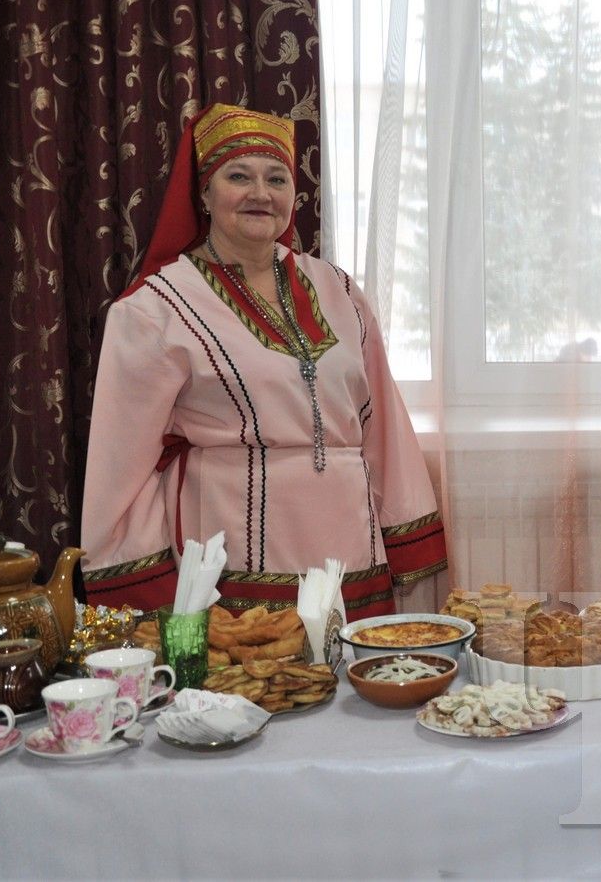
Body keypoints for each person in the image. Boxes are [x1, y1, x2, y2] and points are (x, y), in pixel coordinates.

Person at [81, 103, 446, 617]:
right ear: (204, 192)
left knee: (355, 681)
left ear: (293, 196)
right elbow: (122, 462)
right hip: (234, 544)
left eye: (277, 178)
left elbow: (381, 422)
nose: (260, 193)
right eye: (238, 176)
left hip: (347, 541)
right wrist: (136, 578)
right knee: (252, 688)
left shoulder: (338, 289)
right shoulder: (155, 309)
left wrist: (410, 537)